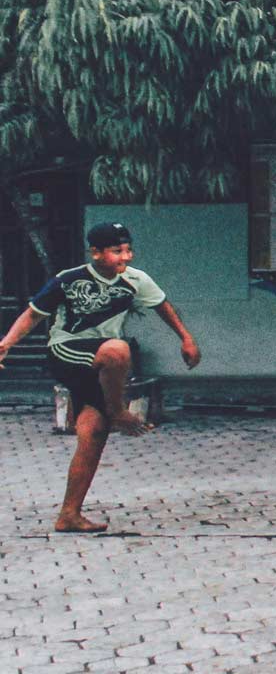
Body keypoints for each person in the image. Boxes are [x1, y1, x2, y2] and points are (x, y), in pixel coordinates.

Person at [0, 221, 200, 533]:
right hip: (66, 351)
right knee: (118, 351)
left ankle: (69, 514)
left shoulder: (136, 280)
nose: (126, 257)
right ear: (96, 253)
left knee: (94, 432)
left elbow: (163, 307)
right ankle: (118, 411)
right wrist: (5, 345)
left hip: (100, 363)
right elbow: (32, 314)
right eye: (117, 251)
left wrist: (186, 339)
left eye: (128, 250)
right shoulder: (69, 280)